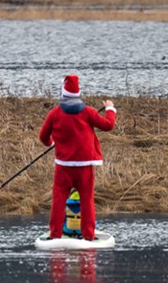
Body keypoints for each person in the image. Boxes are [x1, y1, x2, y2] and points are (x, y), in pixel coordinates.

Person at [38, 75, 116, 241]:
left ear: (63, 93)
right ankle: (88, 235)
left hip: (63, 165)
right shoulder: (88, 112)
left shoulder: (54, 113)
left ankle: (55, 235)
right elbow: (108, 125)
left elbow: (43, 137)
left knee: (59, 199)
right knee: (87, 200)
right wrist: (110, 109)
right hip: (85, 165)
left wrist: (51, 143)